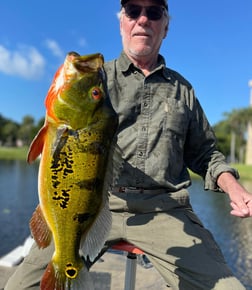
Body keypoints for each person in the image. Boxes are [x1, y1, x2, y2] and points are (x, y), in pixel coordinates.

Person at [5, 0, 252, 289]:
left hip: (164, 209)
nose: (143, 19)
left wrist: (233, 185)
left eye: (154, 12)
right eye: (133, 11)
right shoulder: (95, 79)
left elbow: (207, 153)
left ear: (166, 26)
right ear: (122, 22)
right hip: (95, 205)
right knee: (20, 286)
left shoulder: (183, 91)